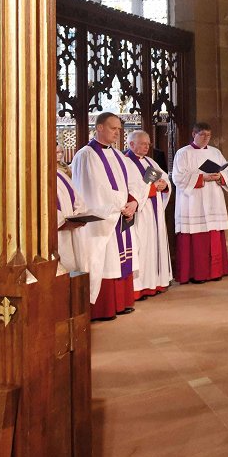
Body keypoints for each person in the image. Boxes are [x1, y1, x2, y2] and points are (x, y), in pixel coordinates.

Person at [71, 112, 145, 321]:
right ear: (100, 128)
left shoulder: (119, 156)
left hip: (121, 214)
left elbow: (136, 183)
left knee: (121, 258)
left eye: (119, 129)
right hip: (102, 220)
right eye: (113, 128)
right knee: (104, 260)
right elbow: (94, 188)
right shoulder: (86, 155)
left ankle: (122, 302)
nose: (117, 133)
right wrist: (120, 204)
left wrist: (134, 202)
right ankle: (104, 307)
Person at [172, 122, 228, 283]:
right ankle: (196, 273)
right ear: (193, 134)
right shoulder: (183, 153)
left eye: (209, 136)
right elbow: (178, 177)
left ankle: (215, 272)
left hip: (213, 199)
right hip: (193, 202)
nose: (206, 139)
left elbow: (226, 171)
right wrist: (202, 177)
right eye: (202, 135)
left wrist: (221, 176)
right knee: (196, 240)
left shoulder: (215, 152)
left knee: (213, 235)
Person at [125, 130, 173, 299]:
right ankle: (141, 287)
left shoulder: (150, 161)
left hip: (155, 211)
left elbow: (164, 178)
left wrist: (164, 185)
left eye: (148, 144)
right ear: (131, 144)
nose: (147, 147)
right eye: (143, 143)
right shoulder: (125, 162)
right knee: (142, 247)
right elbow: (130, 188)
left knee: (154, 245)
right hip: (141, 213)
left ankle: (155, 283)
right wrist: (153, 187)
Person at [56, 159, 89, 273]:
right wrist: (63, 222)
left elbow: (78, 200)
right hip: (56, 235)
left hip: (71, 230)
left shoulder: (60, 174)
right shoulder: (34, 177)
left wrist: (79, 215)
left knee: (72, 268)